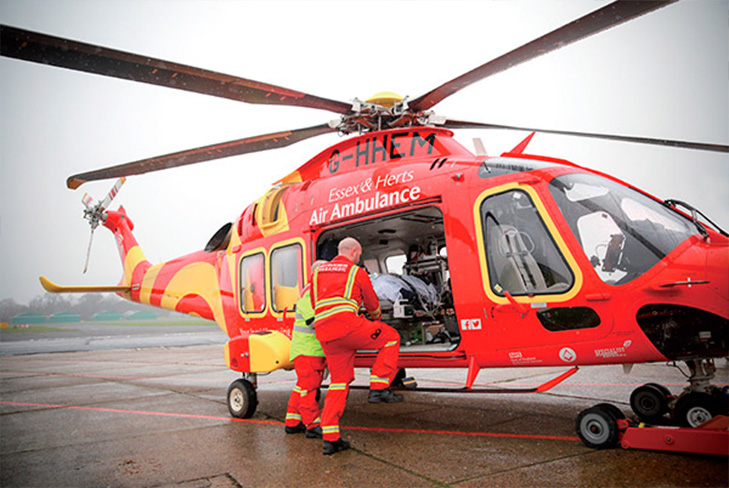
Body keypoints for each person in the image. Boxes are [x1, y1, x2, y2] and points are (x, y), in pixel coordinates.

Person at [313, 237, 402, 455]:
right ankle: (379, 387)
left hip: (325, 333)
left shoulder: (318, 273)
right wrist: (376, 319)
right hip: (348, 326)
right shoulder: (356, 272)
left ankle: (330, 439)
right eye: (359, 254)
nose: (358, 258)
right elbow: (372, 303)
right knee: (391, 337)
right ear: (353, 252)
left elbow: (317, 303)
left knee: (338, 382)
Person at [284, 260, 328, 439]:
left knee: (302, 387)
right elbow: (314, 322)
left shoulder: (313, 291)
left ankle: (292, 422)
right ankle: (312, 425)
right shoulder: (311, 293)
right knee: (310, 389)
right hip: (308, 350)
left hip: (308, 350)